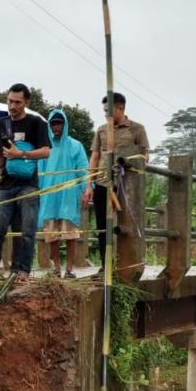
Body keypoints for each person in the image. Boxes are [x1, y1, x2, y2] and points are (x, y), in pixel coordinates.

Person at [0, 83, 49, 282]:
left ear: (26, 102)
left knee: (27, 231)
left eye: (18, 102)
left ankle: (22, 272)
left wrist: (20, 154)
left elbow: (45, 151)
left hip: (29, 184)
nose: (12, 106)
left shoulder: (36, 123)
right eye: (10, 101)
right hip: (5, 185)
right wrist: (2, 161)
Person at [84, 92, 150, 265]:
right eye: (104, 111)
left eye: (109, 111)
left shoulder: (137, 129)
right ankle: (105, 266)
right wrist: (89, 185)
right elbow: (95, 157)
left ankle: (128, 264)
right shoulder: (101, 130)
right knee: (102, 226)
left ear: (121, 108)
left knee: (127, 225)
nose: (106, 114)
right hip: (102, 183)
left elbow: (145, 157)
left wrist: (126, 162)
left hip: (127, 186)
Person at [38, 108, 88, 278]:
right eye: (53, 124)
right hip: (49, 196)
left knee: (70, 235)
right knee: (51, 235)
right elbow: (40, 171)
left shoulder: (75, 146)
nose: (56, 127)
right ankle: (56, 268)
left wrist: (86, 191)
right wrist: (38, 193)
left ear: (64, 124)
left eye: (59, 123)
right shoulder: (45, 147)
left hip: (69, 196)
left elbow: (83, 170)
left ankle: (70, 269)